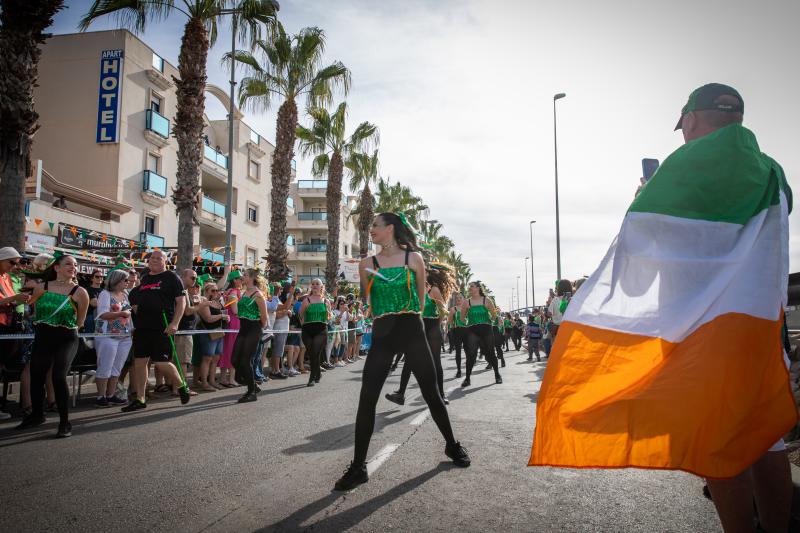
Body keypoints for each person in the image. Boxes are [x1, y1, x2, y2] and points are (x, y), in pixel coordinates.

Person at [529, 84, 795, 533]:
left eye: (683, 126)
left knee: (715, 435)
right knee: (768, 436)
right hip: (762, 326)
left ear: (690, 120)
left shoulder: (681, 166)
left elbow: (644, 260)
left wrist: (644, 197)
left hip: (703, 330)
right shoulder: (773, 171)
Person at [334, 213, 470, 492]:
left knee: (432, 394)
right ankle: (359, 467)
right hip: (382, 333)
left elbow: (420, 302)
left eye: (375, 225)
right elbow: (368, 299)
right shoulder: (366, 264)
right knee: (367, 399)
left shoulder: (413, 260)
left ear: (390, 229)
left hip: (411, 330)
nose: (370, 230)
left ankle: (451, 445)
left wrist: (401, 313)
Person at [17, 253, 89, 437]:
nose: (73, 267)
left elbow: (80, 322)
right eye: (68, 264)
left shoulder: (80, 292)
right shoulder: (42, 287)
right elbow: (29, 310)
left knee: (58, 376)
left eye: (75, 264)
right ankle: (36, 415)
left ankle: (65, 423)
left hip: (67, 337)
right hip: (43, 335)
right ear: (56, 268)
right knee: (37, 374)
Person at [123, 250, 189, 412]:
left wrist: (175, 323)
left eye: (159, 258)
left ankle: (181, 385)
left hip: (163, 326)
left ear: (165, 261)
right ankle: (140, 398)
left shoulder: (172, 278)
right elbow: (136, 296)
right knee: (140, 362)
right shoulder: (145, 279)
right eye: (152, 258)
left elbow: (181, 303)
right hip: (143, 327)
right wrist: (136, 307)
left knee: (161, 362)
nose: (154, 260)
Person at [386, 265, 455, 406]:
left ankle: (441, 395)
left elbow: (442, 311)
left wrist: (436, 324)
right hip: (418, 328)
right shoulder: (419, 288)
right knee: (409, 362)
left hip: (431, 327)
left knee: (436, 362)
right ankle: (400, 394)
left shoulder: (434, 290)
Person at [93, 269, 133, 407]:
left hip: (124, 335)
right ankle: (100, 396)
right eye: (125, 280)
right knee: (105, 366)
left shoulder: (125, 295)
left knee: (117, 367)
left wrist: (132, 329)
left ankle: (110, 394)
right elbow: (102, 314)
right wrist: (121, 313)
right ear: (117, 280)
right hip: (107, 335)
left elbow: (130, 316)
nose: (128, 282)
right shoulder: (105, 294)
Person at [0, 247, 30, 420]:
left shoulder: (7, 278)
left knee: (3, 365)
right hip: (2, 325)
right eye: (11, 262)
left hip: (8, 324)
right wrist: (15, 299)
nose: (14, 266)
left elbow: (10, 298)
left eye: (16, 263)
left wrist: (20, 297)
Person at [230, 269, 268, 402]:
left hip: (253, 328)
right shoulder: (244, 293)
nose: (242, 277)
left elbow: (264, 317)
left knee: (246, 361)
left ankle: (251, 393)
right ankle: (252, 384)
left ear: (251, 278)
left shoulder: (258, 294)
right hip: (243, 329)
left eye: (245, 275)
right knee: (235, 359)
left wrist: (258, 330)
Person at [460, 281, 502, 387]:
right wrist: (467, 323)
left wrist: (492, 320)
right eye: (469, 287)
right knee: (471, 355)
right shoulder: (466, 302)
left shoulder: (487, 300)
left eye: (472, 286)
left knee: (490, 353)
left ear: (478, 288)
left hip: (486, 329)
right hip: (472, 330)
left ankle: (497, 375)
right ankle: (467, 379)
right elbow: (462, 318)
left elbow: (494, 315)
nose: (470, 288)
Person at [196, 282, 229, 391]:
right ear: (206, 291)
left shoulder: (217, 302)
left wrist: (225, 317)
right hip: (208, 333)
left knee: (215, 358)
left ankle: (212, 381)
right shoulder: (204, 302)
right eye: (213, 290)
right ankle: (204, 383)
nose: (216, 292)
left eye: (216, 290)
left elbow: (223, 313)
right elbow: (208, 318)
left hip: (219, 332)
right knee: (207, 358)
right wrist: (221, 316)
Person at [299, 278, 331, 387]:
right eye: (313, 284)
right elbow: (300, 315)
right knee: (312, 353)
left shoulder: (326, 301)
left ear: (321, 286)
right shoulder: (306, 300)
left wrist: (329, 315)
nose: (315, 285)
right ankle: (318, 372)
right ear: (311, 286)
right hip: (307, 329)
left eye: (317, 284)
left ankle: (311, 378)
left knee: (315, 352)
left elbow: (329, 317)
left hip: (321, 329)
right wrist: (304, 324)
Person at [448, 292, 467, 379]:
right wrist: (451, 330)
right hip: (457, 331)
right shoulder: (453, 309)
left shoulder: (468, 308)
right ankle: (459, 370)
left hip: (467, 331)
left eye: (460, 298)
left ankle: (468, 369)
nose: (458, 299)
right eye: (457, 298)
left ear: (464, 299)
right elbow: (450, 322)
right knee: (458, 352)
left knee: (468, 352)